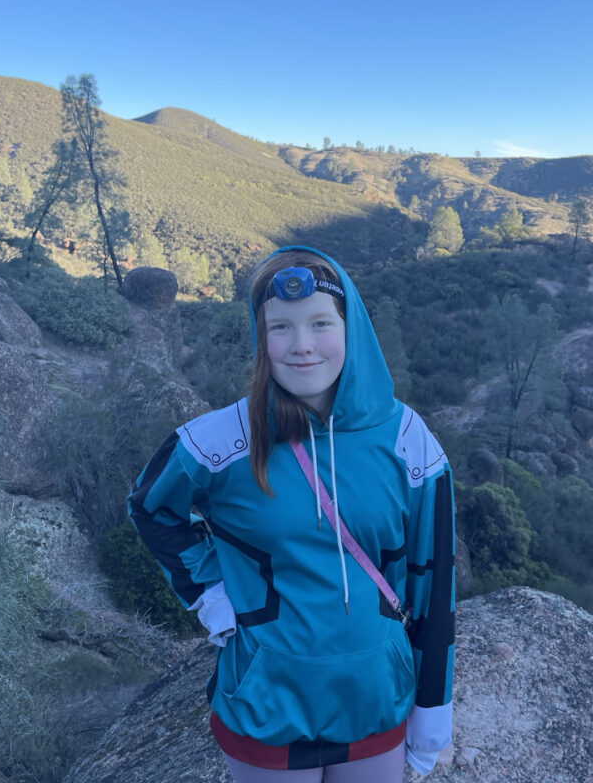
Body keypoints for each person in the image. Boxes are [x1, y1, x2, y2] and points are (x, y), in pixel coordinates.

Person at [128, 246, 455, 782]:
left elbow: (433, 582)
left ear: (352, 329)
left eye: (320, 324)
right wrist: (210, 594)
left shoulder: (407, 439)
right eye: (280, 327)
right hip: (267, 705)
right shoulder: (223, 439)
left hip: (374, 699)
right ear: (262, 340)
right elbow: (150, 508)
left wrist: (433, 706)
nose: (301, 347)